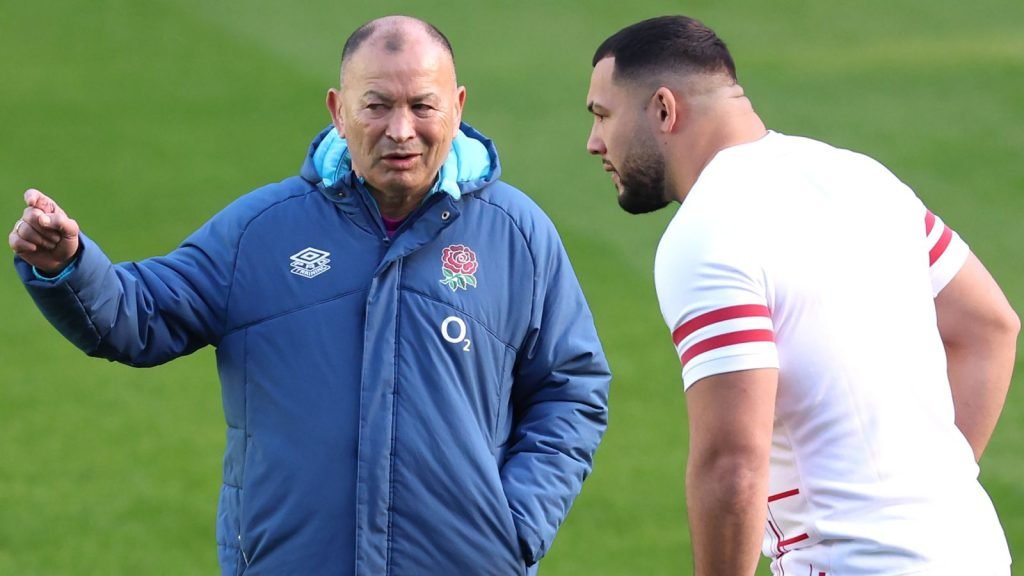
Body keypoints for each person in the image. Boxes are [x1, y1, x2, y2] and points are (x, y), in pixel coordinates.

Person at [10, 15, 610, 575]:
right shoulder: (263, 231)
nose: (400, 130)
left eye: (421, 105)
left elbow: (571, 388)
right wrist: (71, 265)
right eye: (376, 105)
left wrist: (515, 526)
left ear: (456, 108)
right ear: (338, 110)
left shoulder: (518, 235)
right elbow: (138, 316)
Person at [585, 15, 1017, 576]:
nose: (595, 142)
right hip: (971, 550)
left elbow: (733, 464)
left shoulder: (706, 232)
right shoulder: (862, 177)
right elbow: (990, 327)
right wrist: (923, 496)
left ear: (664, 109)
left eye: (602, 115)